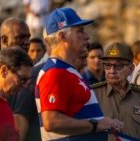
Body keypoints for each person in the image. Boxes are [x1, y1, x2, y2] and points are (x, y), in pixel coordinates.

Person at [35, 7, 124, 141]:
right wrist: (98, 124)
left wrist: (103, 122)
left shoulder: (66, 70)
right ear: (62, 36)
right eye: (80, 31)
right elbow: (52, 121)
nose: (87, 36)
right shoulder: (55, 72)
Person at [91, 42, 140, 141]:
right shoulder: (93, 95)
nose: (112, 71)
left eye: (118, 66)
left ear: (131, 69)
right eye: (107, 65)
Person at [0, 17, 33, 141]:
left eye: (28, 37)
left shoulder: (30, 69)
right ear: (5, 40)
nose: (27, 42)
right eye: (20, 37)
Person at [0, 46, 33, 141]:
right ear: (4, 71)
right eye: (22, 79)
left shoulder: (4, 99)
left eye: (28, 81)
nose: (25, 86)